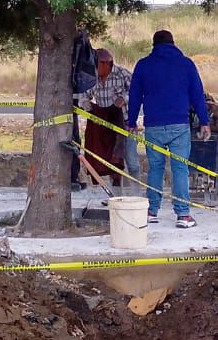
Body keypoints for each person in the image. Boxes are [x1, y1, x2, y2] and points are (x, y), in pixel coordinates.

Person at [127, 30, 210, 229]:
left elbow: (135, 96)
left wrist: (131, 122)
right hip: (179, 125)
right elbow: (198, 95)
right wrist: (204, 121)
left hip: (153, 125)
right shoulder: (186, 64)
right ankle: (183, 215)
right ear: (173, 44)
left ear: (154, 45)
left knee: (155, 168)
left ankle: (151, 211)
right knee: (179, 168)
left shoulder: (143, 65)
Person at [83, 48, 138, 187]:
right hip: (105, 128)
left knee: (132, 163)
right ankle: (115, 194)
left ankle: (136, 193)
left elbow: (137, 92)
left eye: (97, 65)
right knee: (110, 165)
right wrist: (85, 104)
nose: (95, 68)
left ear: (106, 64)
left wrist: (124, 98)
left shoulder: (122, 74)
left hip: (126, 124)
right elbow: (84, 95)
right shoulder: (93, 77)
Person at [70, 30, 98, 191]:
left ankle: (73, 175)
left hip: (72, 102)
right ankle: (71, 176)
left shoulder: (81, 48)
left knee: (74, 140)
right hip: (68, 102)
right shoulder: (76, 49)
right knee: (71, 139)